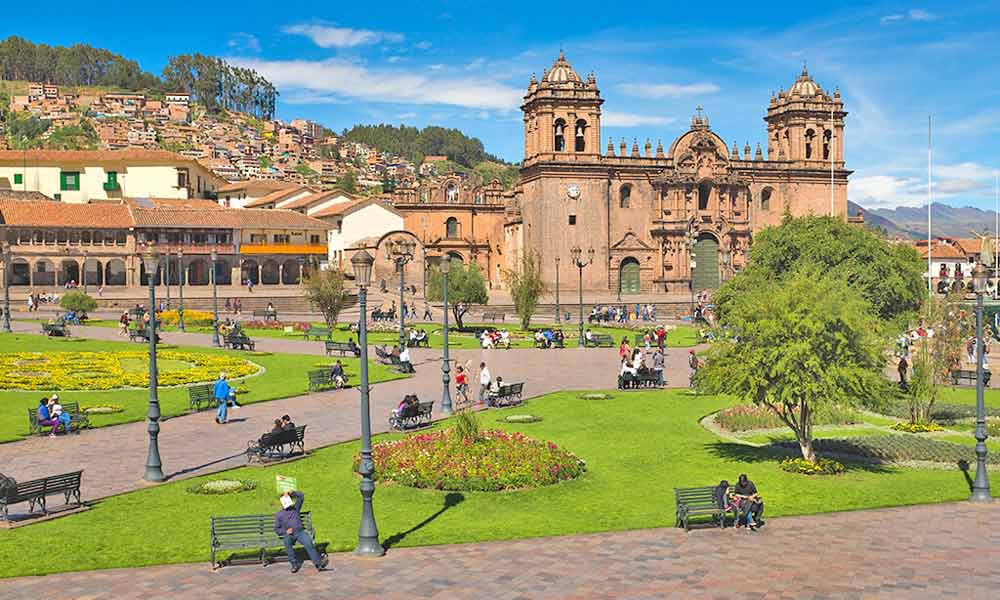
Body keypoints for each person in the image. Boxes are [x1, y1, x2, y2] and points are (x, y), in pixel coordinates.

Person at [275, 491, 328, 573]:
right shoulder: (279, 514)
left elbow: (301, 496)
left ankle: (319, 564)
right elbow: (277, 529)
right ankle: (294, 564)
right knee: (287, 542)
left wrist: (291, 493)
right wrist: (285, 531)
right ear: (282, 503)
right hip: (289, 534)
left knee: (308, 542)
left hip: (300, 532)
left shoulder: (295, 508)